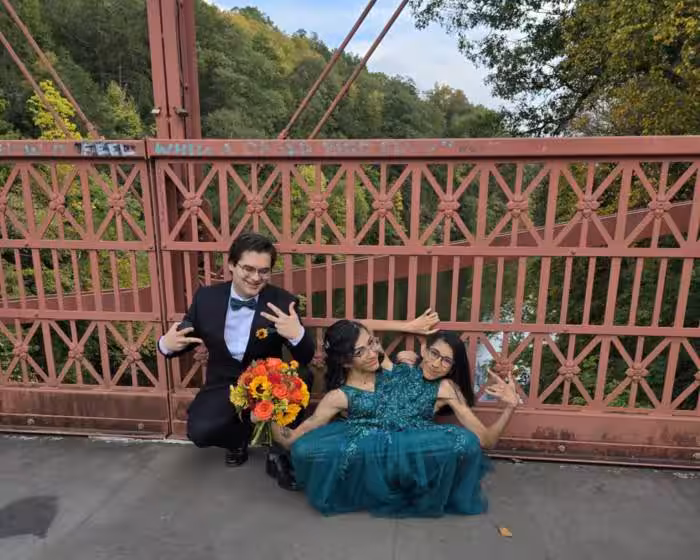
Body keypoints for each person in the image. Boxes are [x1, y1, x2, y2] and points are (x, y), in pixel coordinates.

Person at [271, 321, 519, 517]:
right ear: (345, 360)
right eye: (361, 351)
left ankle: (405, 484)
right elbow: (292, 439)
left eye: (372, 343)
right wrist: (267, 411)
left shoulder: (406, 373)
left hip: (413, 442)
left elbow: (486, 440)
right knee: (303, 450)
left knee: (466, 442)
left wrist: (510, 407)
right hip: (367, 443)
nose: (372, 353)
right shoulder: (339, 396)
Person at [158, 232, 315, 491]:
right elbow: (182, 338)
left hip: (268, 381)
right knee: (200, 432)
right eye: (248, 269)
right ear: (231, 265)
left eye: (263, 271)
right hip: (225, 381)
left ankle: (280, 447)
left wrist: (297, 334)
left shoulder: (283, 301)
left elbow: (306, 357)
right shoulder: (206, 298)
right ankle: (239, 438)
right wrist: (165, 344)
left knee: (301, 379)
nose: (256, 277)